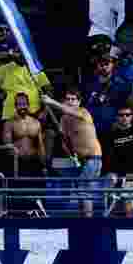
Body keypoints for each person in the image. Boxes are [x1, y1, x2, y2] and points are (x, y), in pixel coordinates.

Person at [42, 89, 102, 217]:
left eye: (73, 99)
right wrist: (69, 152)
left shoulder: (83, 112)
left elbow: (67, 110)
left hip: (92, 159)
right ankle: (81, 217)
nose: (70, 102)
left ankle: (87, 222)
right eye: (67, 99)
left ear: (79, 102)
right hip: (76, 160)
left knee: (84, 191)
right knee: (55, 166)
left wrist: (50, 101)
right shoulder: (64, 119)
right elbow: (65, 141)